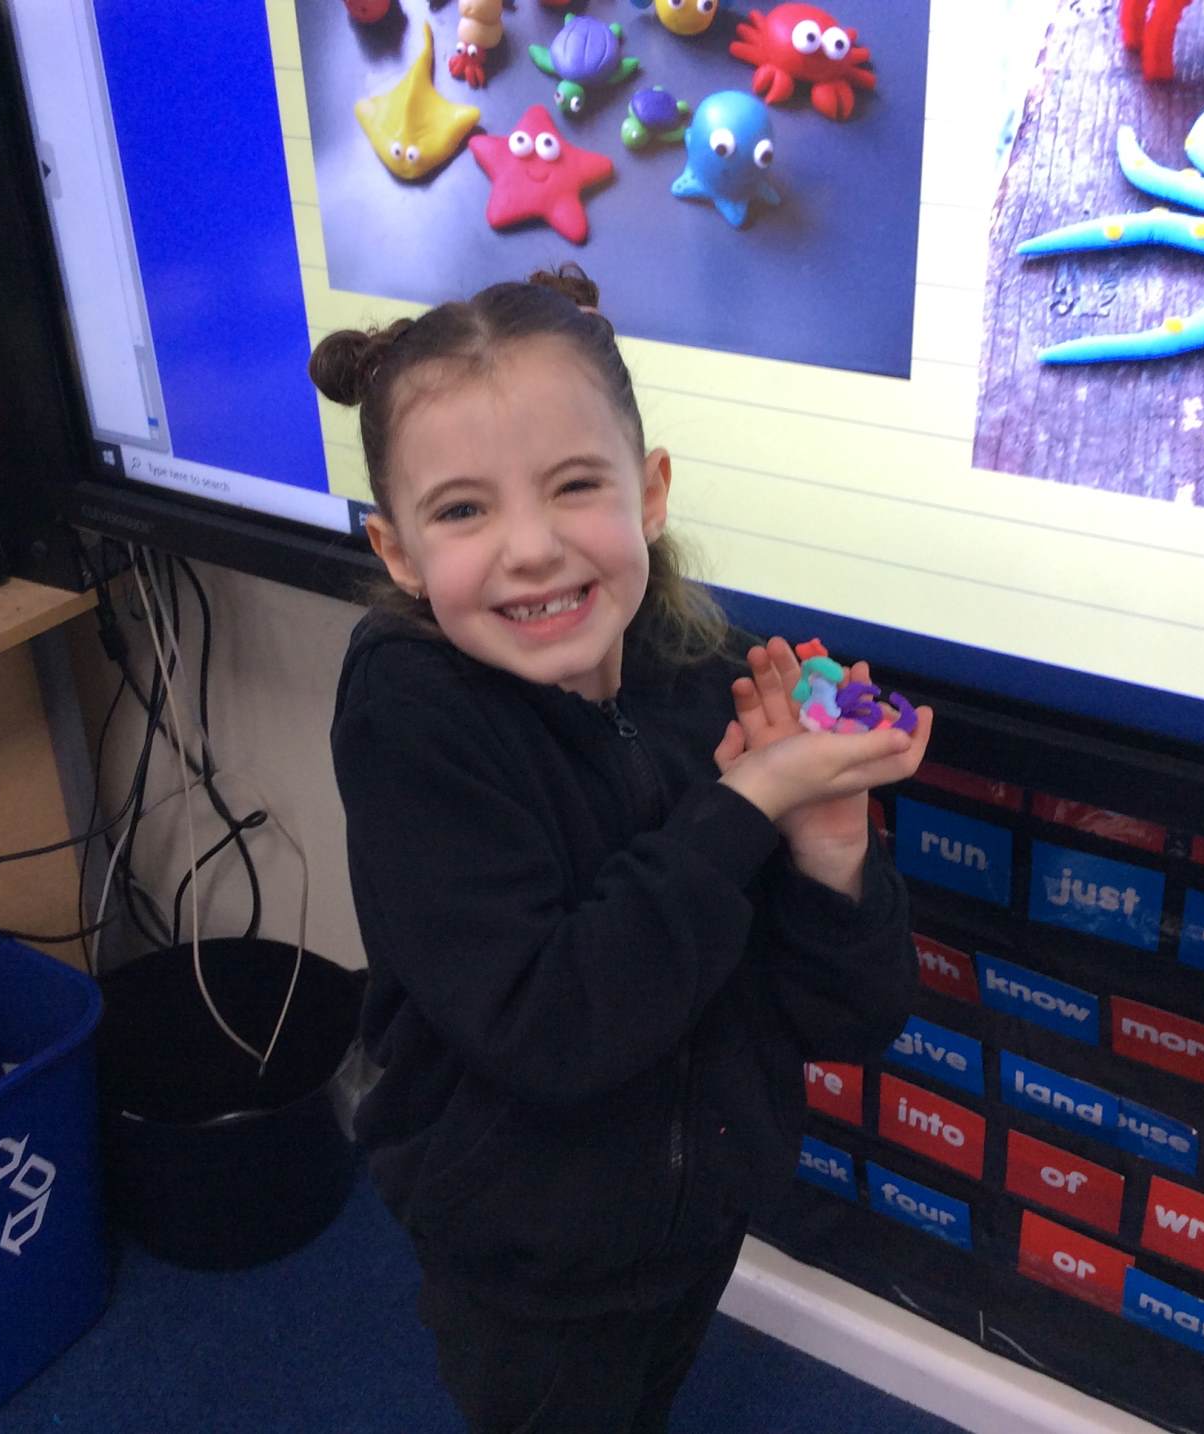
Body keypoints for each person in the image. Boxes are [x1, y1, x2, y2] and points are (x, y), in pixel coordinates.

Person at [316, 264, 932, 1433]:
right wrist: (748, 804)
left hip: (699, 1216)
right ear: (397, 551)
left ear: (649, 492)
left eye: (575, 485)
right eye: (463, 511)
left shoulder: (711, 680)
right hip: (527, 1260)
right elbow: (553, 1025)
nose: (532, 548)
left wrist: (831, 843)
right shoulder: (412, 725)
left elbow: (852, 1016)